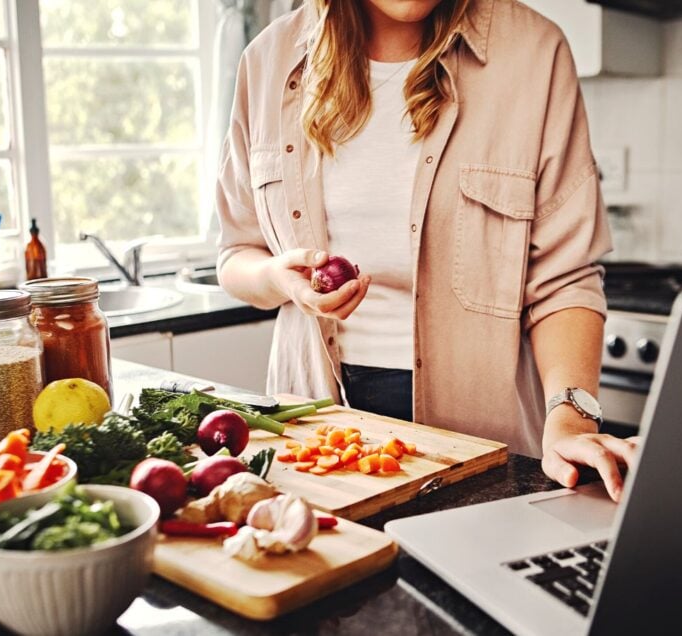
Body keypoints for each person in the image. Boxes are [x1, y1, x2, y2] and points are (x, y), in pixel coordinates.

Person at [215, 0, 638, 501]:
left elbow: (564, 278)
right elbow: (237, 253)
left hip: (483, 449)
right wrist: (276, 278)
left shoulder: (534, 53)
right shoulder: (267, 61)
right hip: (316, 444)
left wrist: (570, 420)